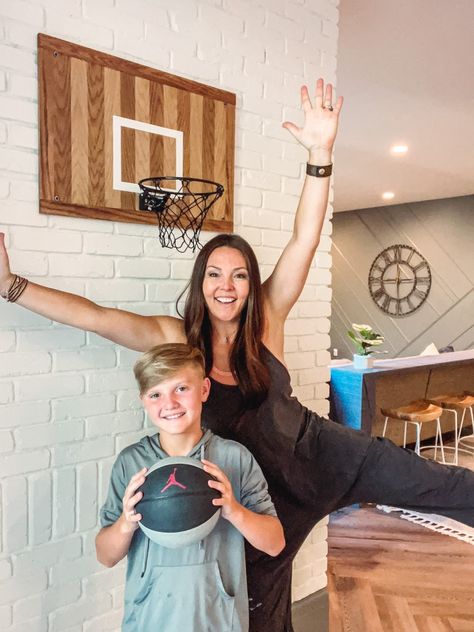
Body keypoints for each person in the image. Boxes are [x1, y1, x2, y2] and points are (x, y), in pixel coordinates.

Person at [2, 78, 474, 631]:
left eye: (240, 275)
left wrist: (320, 156)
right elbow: (96, 317)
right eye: (216, 274)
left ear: (251, 283)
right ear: (201, 281)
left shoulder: (268, 316)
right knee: (261, 612)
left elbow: (304, 238)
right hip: (260, 491)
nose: (227, 286)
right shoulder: (172, 336)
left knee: (436, 482)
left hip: (320, 451)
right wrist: (11, 285)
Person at [96, 343, 284, 631]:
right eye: (156, 394)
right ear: (143, 401)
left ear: (205, 390)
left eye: (181, 388)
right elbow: (105, 556)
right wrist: (126, 522)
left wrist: (234, 510)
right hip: (150, 618)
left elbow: (275, 544)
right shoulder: (131, 463)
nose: (169, 403)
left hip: (218, 619)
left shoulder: (234, 457)